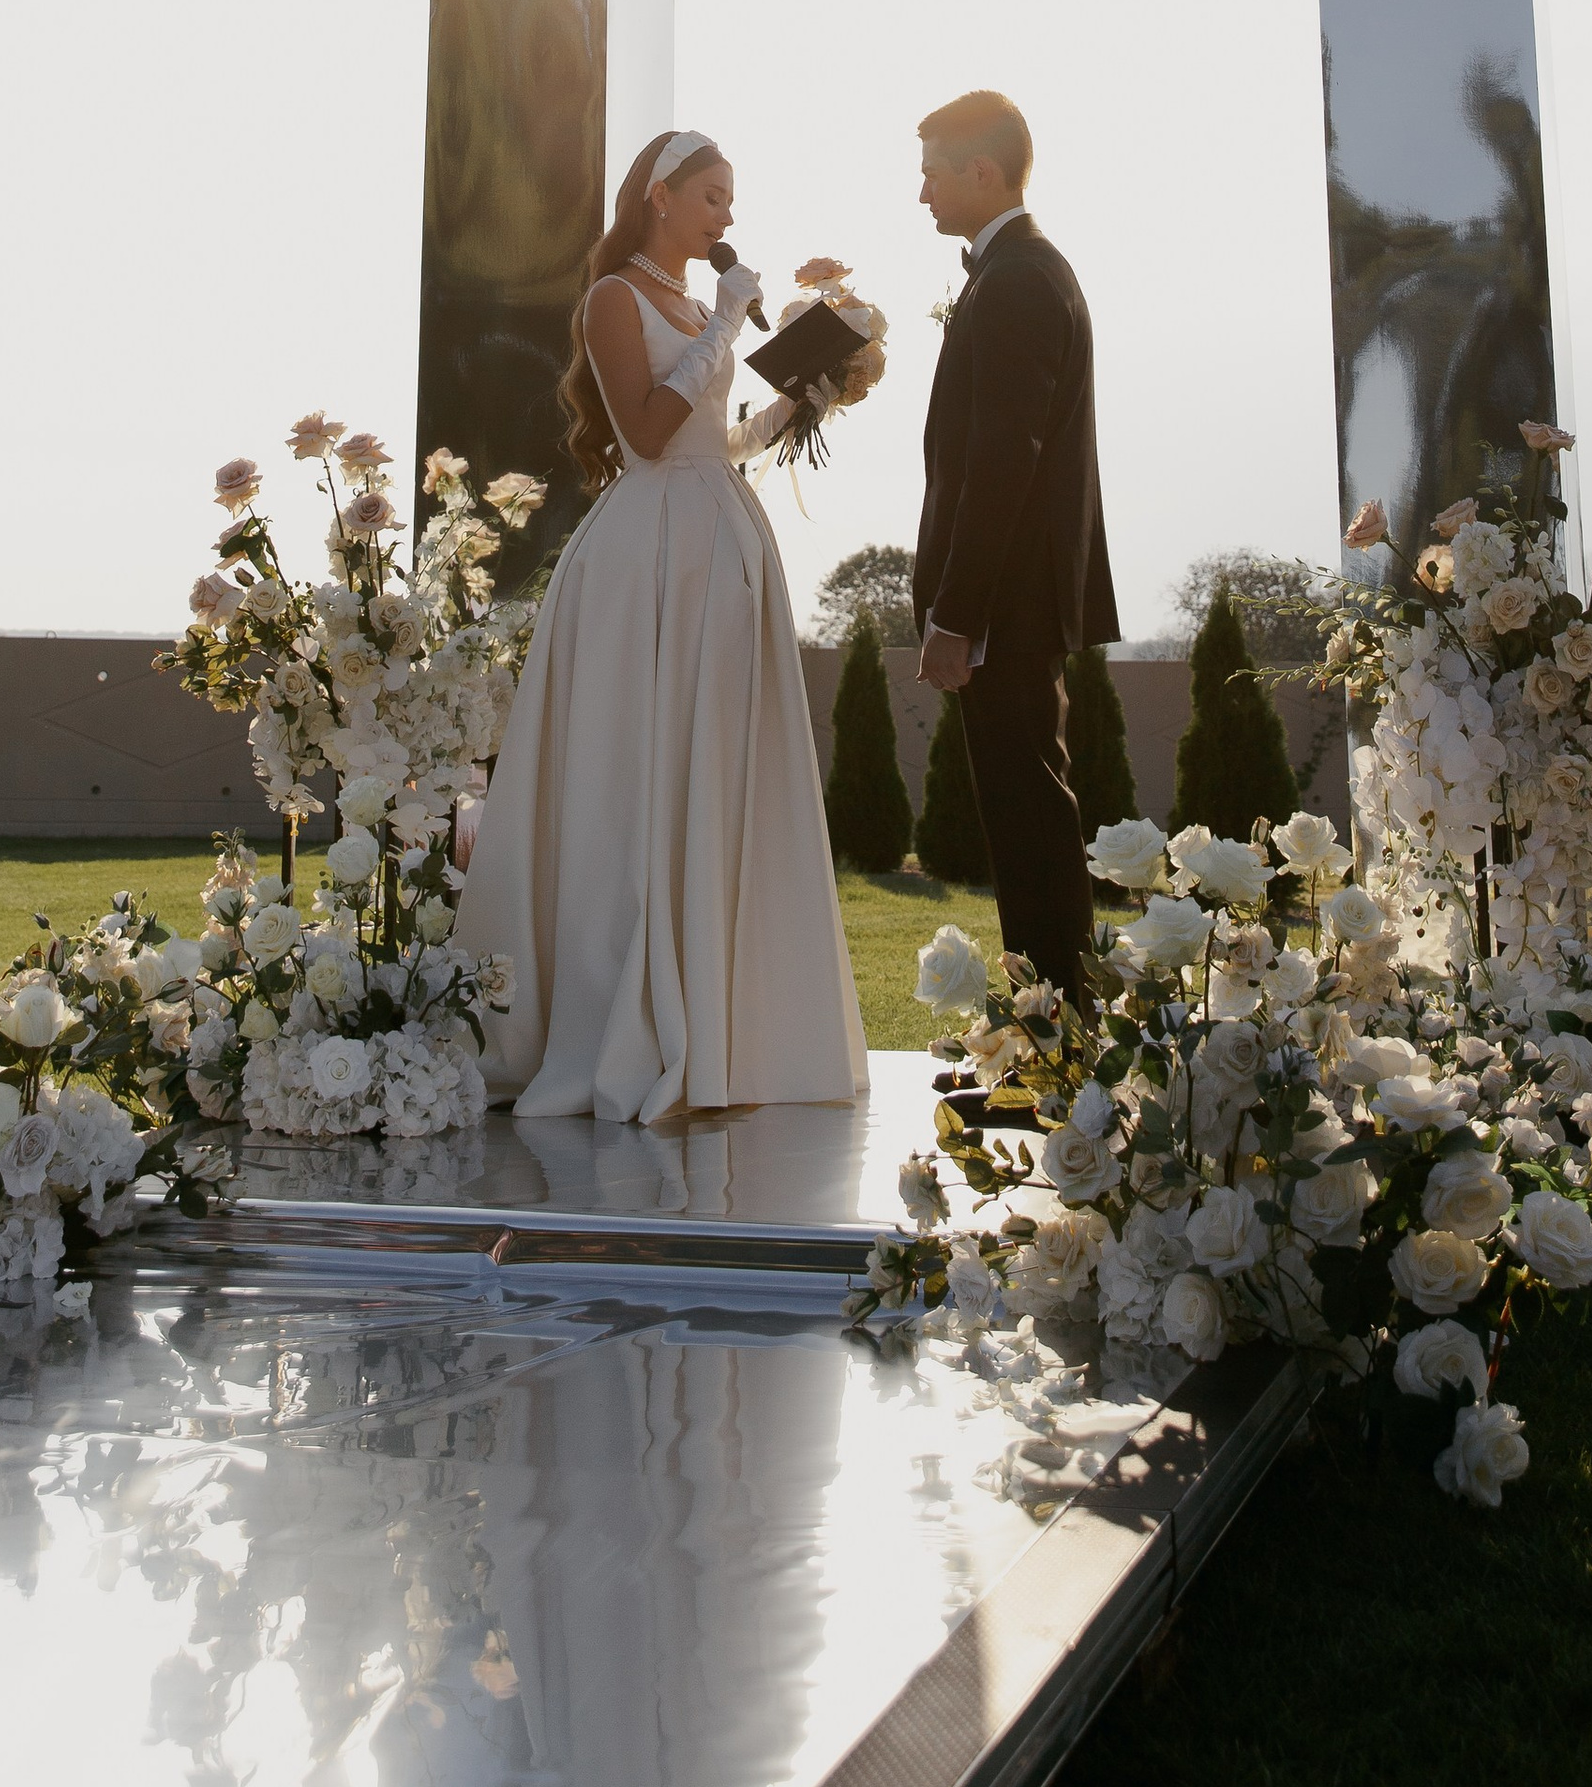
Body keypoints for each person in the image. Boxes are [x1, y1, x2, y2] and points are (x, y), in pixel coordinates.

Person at [453, 126, 868, 1122]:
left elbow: (707, 434)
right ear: (659, 196)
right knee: (637, 770)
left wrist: (792, 410)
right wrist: (728, 321)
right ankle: (616, 1015)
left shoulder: (693, 304)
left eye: (730, 202)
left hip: (719, 538)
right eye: (713, 198)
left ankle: (720, 1027)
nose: (726, 217)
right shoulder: (615, 299)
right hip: (647, 558)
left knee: (715, 767)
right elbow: (643, 431)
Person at [912, 88, 1117, 1001]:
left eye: (931, 174)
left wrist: (957, 615)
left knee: (1030, 817)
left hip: (1005, 601)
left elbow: (1003, 462)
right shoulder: (1017, 274)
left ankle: (1058, 1033)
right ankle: (1050, 1028)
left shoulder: (1020, 281)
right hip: (1014, 595)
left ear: (981, 172)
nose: (921, 194)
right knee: (1027, 814)